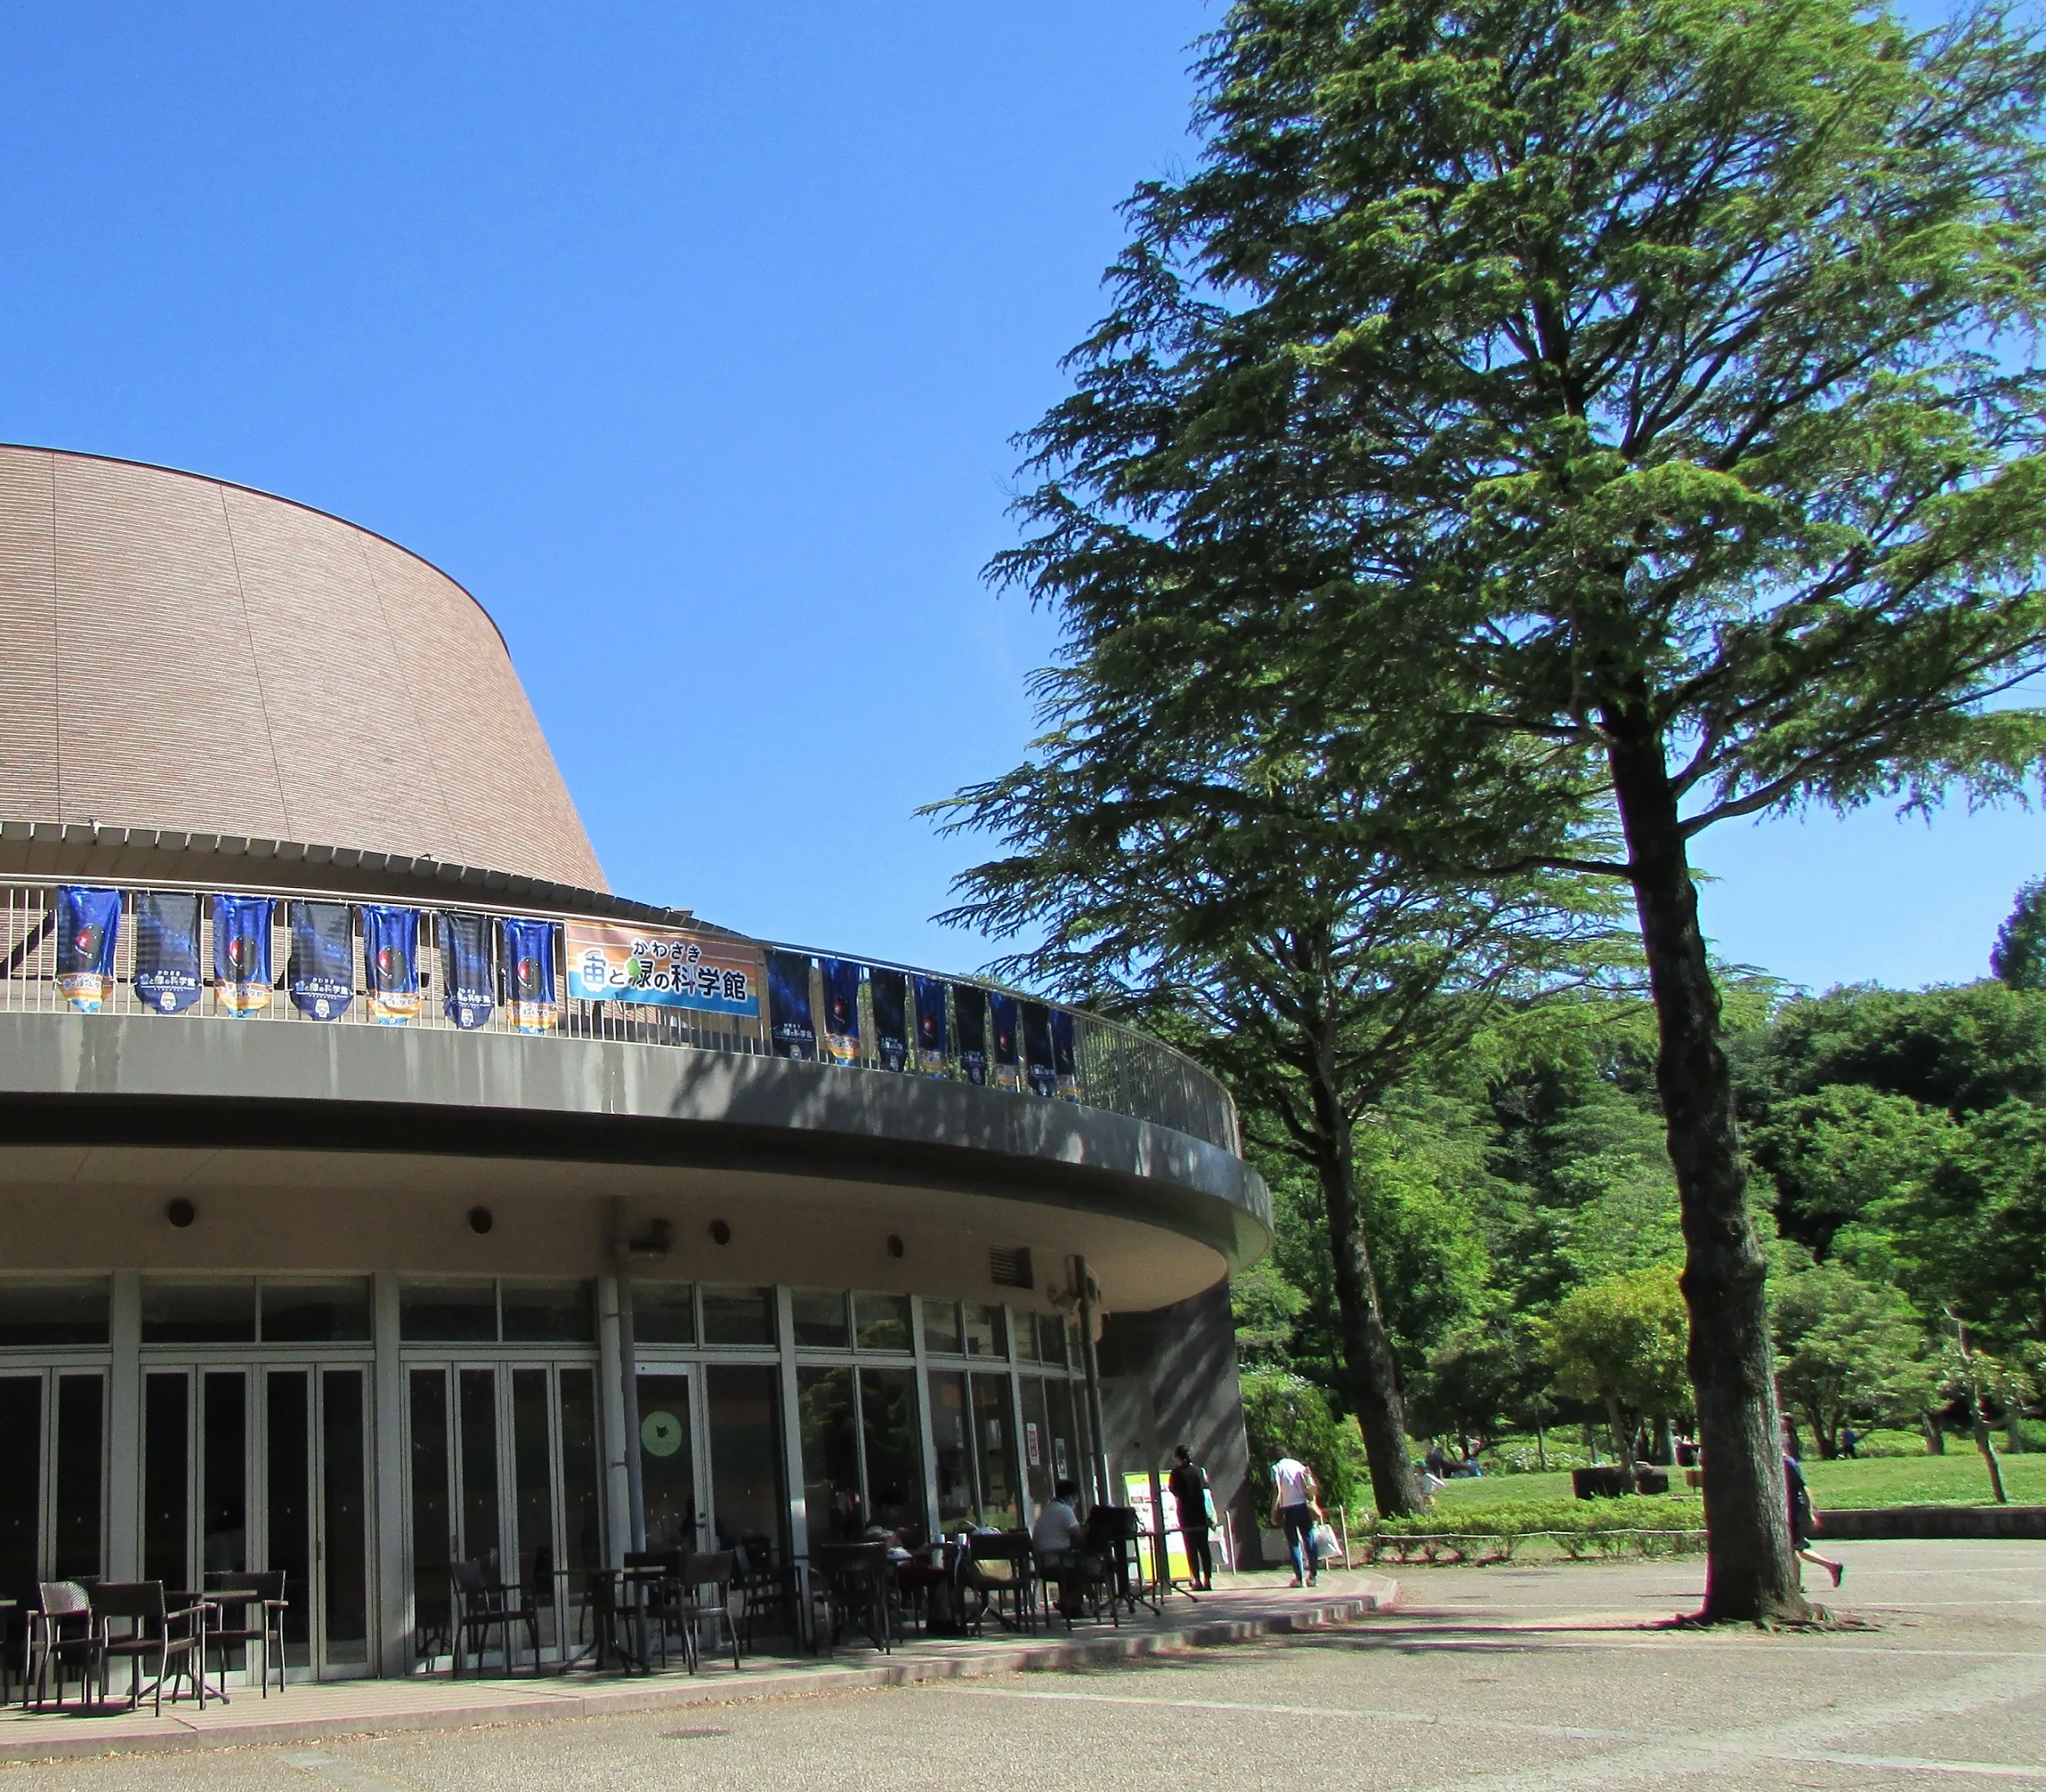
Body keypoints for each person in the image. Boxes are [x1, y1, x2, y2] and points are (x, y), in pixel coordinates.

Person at [1784, 1427, 1843, 1589]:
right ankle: (1831, 1566)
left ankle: (1795, 1586)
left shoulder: (1788, 1462)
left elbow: (1804, 1488)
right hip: (1785, 1509)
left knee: (1791, 1548)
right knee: (1797, 1548)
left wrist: (1810, 1512)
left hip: (1794, 1509)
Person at [1032, 1478, 1090, 1617]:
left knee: (1074, 1561)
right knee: (1084, 1565)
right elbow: (1079, 1536)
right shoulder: (1064, 1510)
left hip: (1042, 1560)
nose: (1076, 1502)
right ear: (1070, 1497)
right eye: (1076, 1498)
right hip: (1055, 1560)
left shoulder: (1049, 1508)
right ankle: (1072, 1604)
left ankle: (1067, 1601)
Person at [1270, 1453, 1323, 1587]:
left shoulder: (1276, 1468)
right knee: (1309, 1540)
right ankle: (1313, 1576)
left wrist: (1274, 1510)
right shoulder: (1298, 1465)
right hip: (1304, 1506)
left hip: (1288, 1508)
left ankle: (1299, 1578)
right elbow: (1311, 1485)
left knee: (1294, 1543)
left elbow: (1277, 1489)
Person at [1169, 1444, 1215, 1591]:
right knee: (1204, 1547)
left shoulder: (1176, 1473)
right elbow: (1205, 1490)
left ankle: (1197, 1580)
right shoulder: (1199, 1471)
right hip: (1200, 1512)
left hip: (1186, 1514)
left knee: (1191, 1548)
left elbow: (1174, 1490)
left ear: (1178, 1457)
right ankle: (1208, 1579)